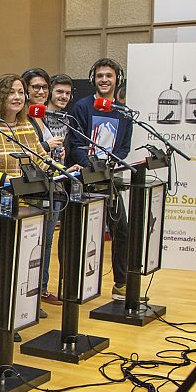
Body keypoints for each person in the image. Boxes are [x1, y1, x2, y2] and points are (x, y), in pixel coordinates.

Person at [0, 74, 49, 343]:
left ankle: (6, 319)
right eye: (11, 92)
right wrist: (6, 180)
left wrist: (61, 170)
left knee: (15, 265)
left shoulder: (27, 126)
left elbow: (42, 158)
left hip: (24, 206)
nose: (18, 97)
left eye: (20, 92)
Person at [65, 58, 131, 300]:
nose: (104, 79)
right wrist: (91, 165)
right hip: (86, 179)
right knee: (85, 234)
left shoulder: (124, 113)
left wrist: (112, 163)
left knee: (121, 230)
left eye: (109, 76)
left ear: (117, 80)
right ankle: (78, 284)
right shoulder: (82, 107)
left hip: (109, 179)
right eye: (100, 75)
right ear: (94, 79)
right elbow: (75, 143)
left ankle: (121, 284)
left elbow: (124, 146)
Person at [22, 68, 64, 309]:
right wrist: (47, 147)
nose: (40, 91)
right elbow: (29, 154)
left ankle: (41, 288)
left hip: (53, 185)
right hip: (35, 190)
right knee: (34, 243)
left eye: (44, 87)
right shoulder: (23, 119)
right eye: (35, 87)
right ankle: (29, 293)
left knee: (47, 242)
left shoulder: (42, 116)